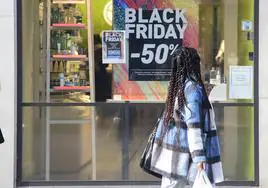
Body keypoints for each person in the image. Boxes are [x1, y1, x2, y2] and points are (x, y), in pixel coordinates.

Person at [153, 47, 224, 187]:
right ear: (193, 64)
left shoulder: (177, 87)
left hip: (173, 159)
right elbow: (194, 127)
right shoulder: (193, 89)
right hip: (188, 160)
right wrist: (199, 158)